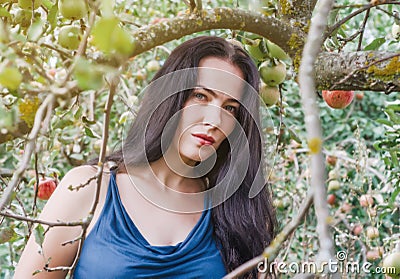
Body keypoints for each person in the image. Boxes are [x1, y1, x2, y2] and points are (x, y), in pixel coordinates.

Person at [14, 36, 276, 279]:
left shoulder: (241, 213)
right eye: (200, 96)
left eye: (230, 108)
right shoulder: (89, 189)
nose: (214, 120)